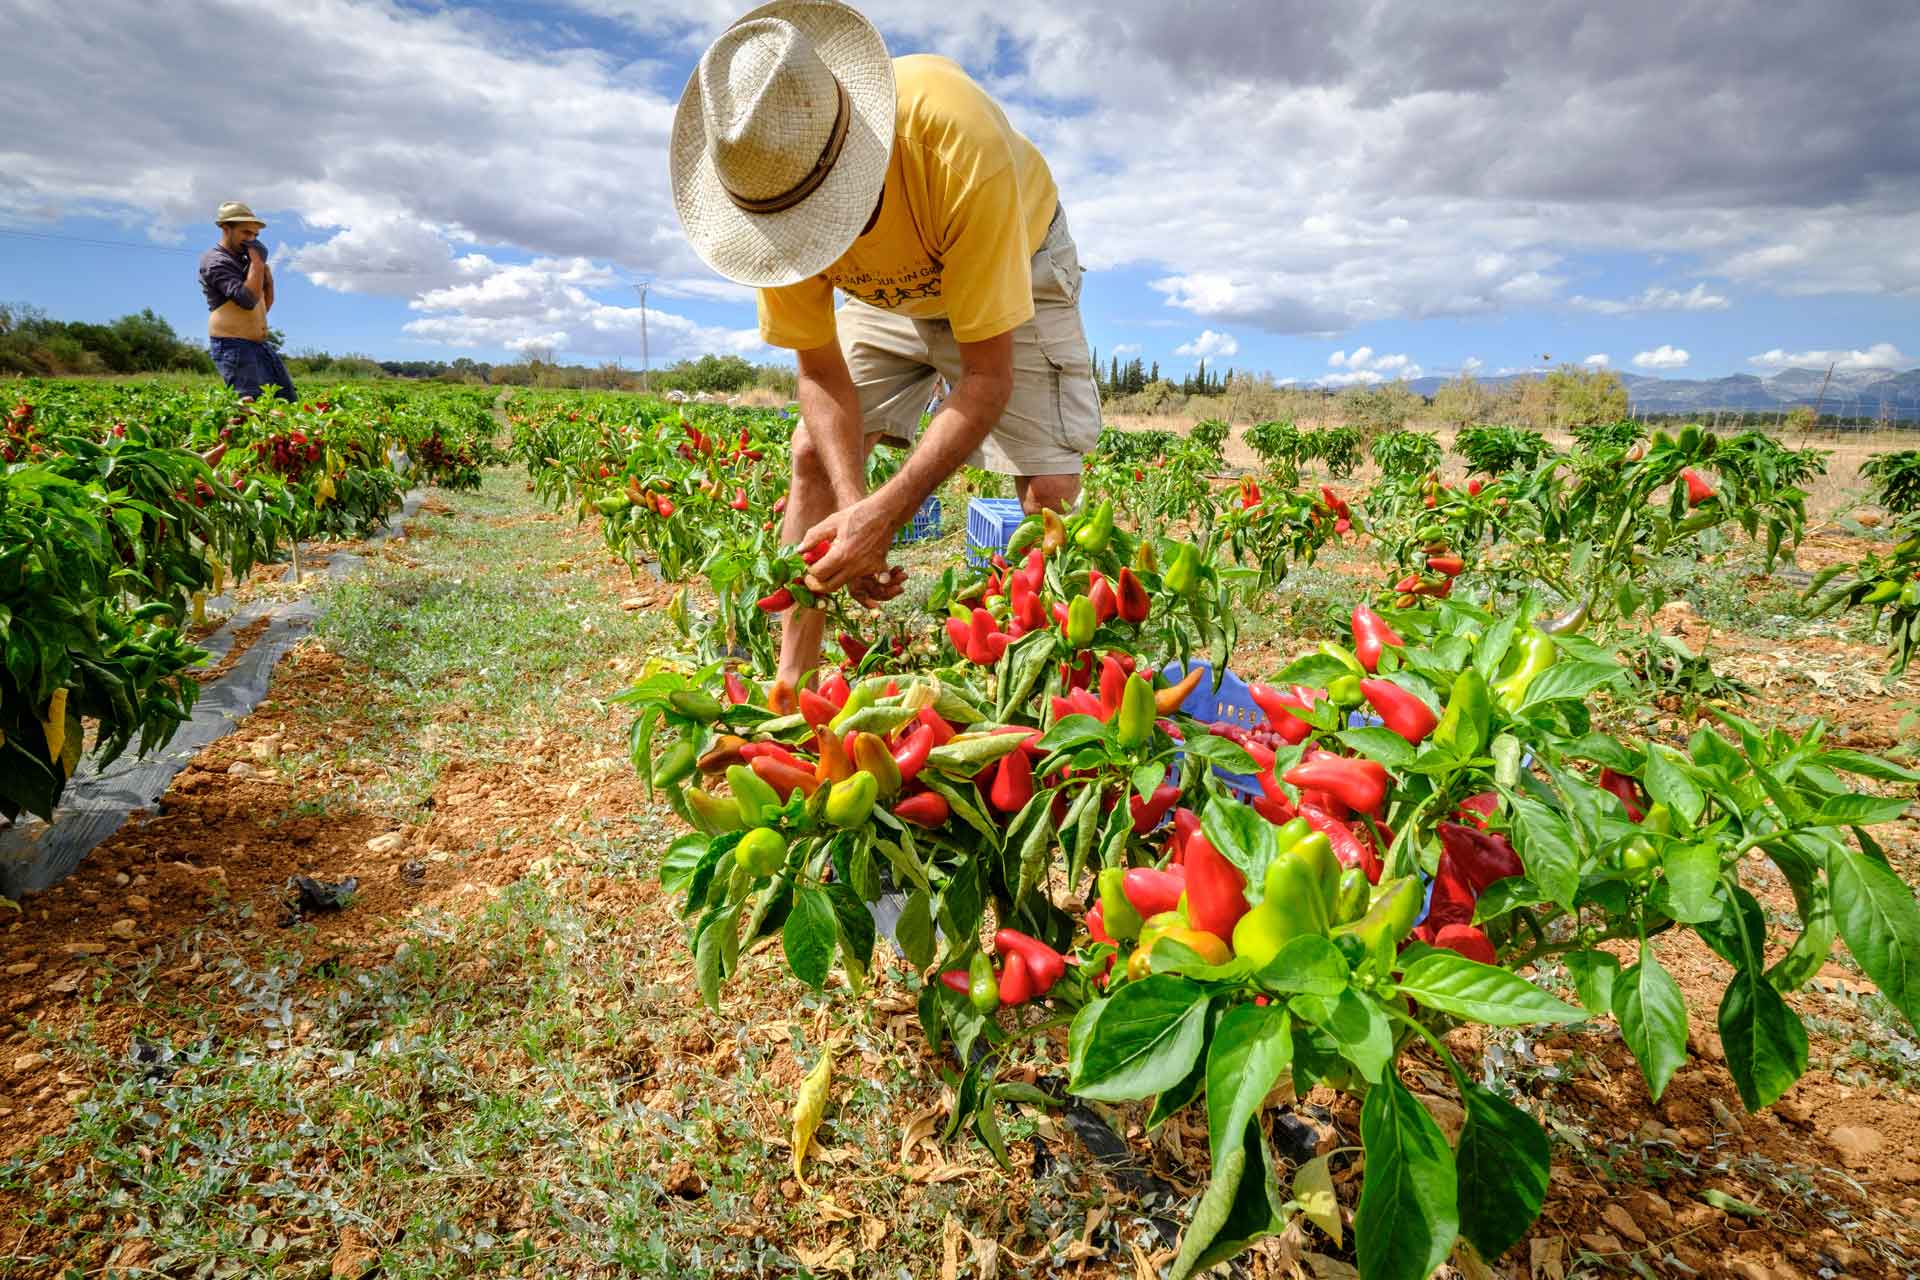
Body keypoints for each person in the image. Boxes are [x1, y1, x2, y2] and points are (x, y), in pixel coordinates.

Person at [670, 0, 1101, 689]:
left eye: (822, 216)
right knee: (813, 452)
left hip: (1010, 257)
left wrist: (889, 514)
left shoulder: (955, 143)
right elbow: (819, 370)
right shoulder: (773, 188)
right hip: (890, 290)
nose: (810, 238)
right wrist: (852, 508)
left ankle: (1043, 697)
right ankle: (791, 687)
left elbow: (986, 381)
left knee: (1048, 488)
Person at [198, 201, 297, 403]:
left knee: (286, 402)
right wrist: (258, 264)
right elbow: (247, 300)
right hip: (233, 346)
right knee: (249, 409)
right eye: (246, 233)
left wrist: (265, 276)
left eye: (255, 236)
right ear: (226, 229)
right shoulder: (217, 261)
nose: (251, 241)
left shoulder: (247, 262)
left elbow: (262, 306)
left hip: (259, 345)